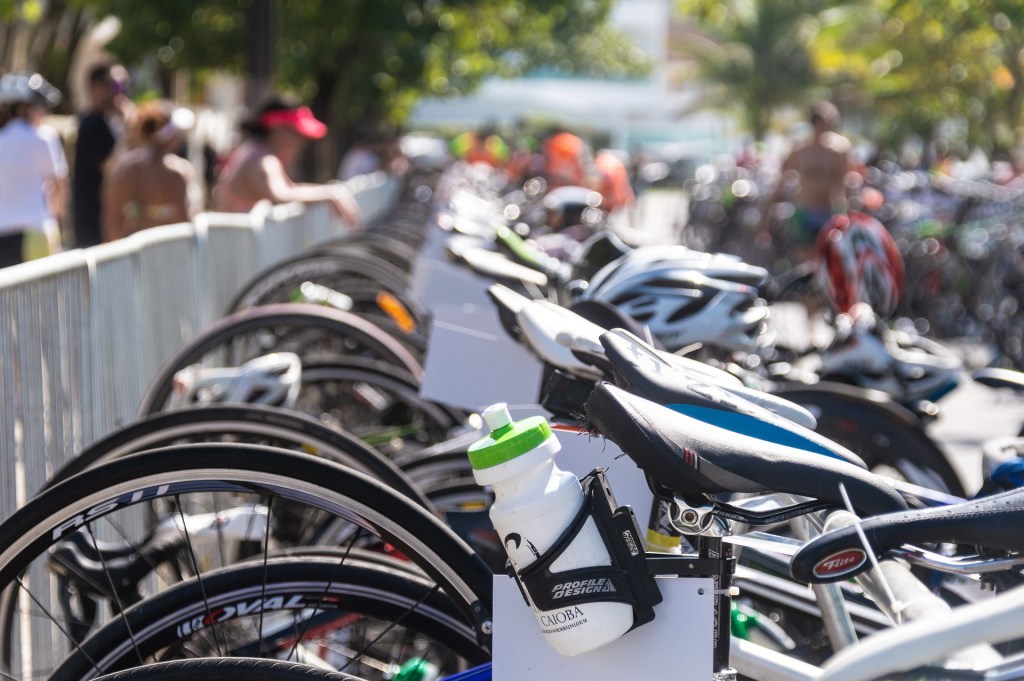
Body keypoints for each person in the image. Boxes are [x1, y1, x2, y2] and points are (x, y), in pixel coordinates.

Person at [213, 97, 360, 227]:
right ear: (276, 127)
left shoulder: (254, 150)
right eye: (295, 133)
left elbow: (289, 188)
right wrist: (330, 193)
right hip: (242, 252)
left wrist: (331, 191)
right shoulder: (264, 160)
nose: (301, 142)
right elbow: (281, 195)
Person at [762, 101, 850, 264]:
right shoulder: (799, 152)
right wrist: (766, 222)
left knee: (828, 262)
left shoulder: (836, 154)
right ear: (815, 123)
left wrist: (843, 215)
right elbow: (779, 186)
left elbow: (840, 188)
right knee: (804, 262)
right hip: (805, 213)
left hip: (827, 214)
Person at [102, 101, 200, 242]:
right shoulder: (177, 171)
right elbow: (185, 219)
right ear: (172, 136)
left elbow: (112, 220)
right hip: (168, 252)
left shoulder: (124, 168)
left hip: (131, 252)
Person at [0, 73, 68, 267]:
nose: (44, 113)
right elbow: (59, 186)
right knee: (44, 296)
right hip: (36, 231)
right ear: (23, 108)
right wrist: (59, 225)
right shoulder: (44, 138)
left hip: (2, 234)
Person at [73, 62, 131, 248]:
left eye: (124, 86)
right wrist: (130, 128)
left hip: (106, 224)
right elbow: (113, 169)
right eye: (115, 86)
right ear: (95, 88)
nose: (120, 92)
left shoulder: (109, 123)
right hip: (93, 225)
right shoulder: (91, 124)